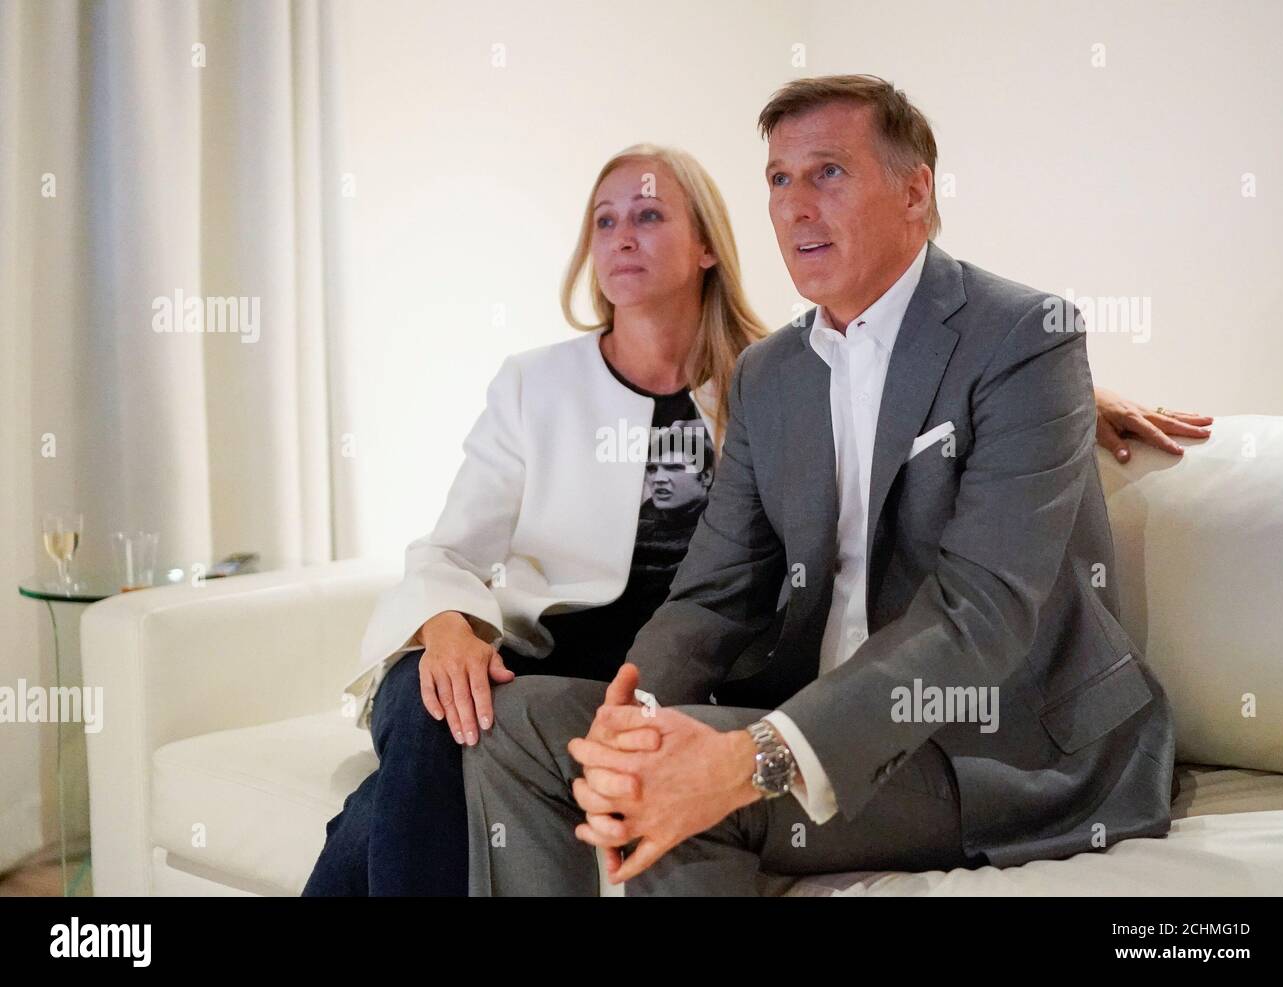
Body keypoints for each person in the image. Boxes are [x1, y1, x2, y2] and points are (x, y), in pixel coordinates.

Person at [304, 132, 1210, 895]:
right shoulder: (558, 383)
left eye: (651, 214)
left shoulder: (759, 369)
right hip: (595, 652)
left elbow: (911, 364)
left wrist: (1067, 390)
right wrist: (452, 626)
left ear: (706, 245)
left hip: (800, 694)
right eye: (605, 219)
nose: (622, 236)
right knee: (450, 715)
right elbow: (480, 551)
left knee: (633, 769)